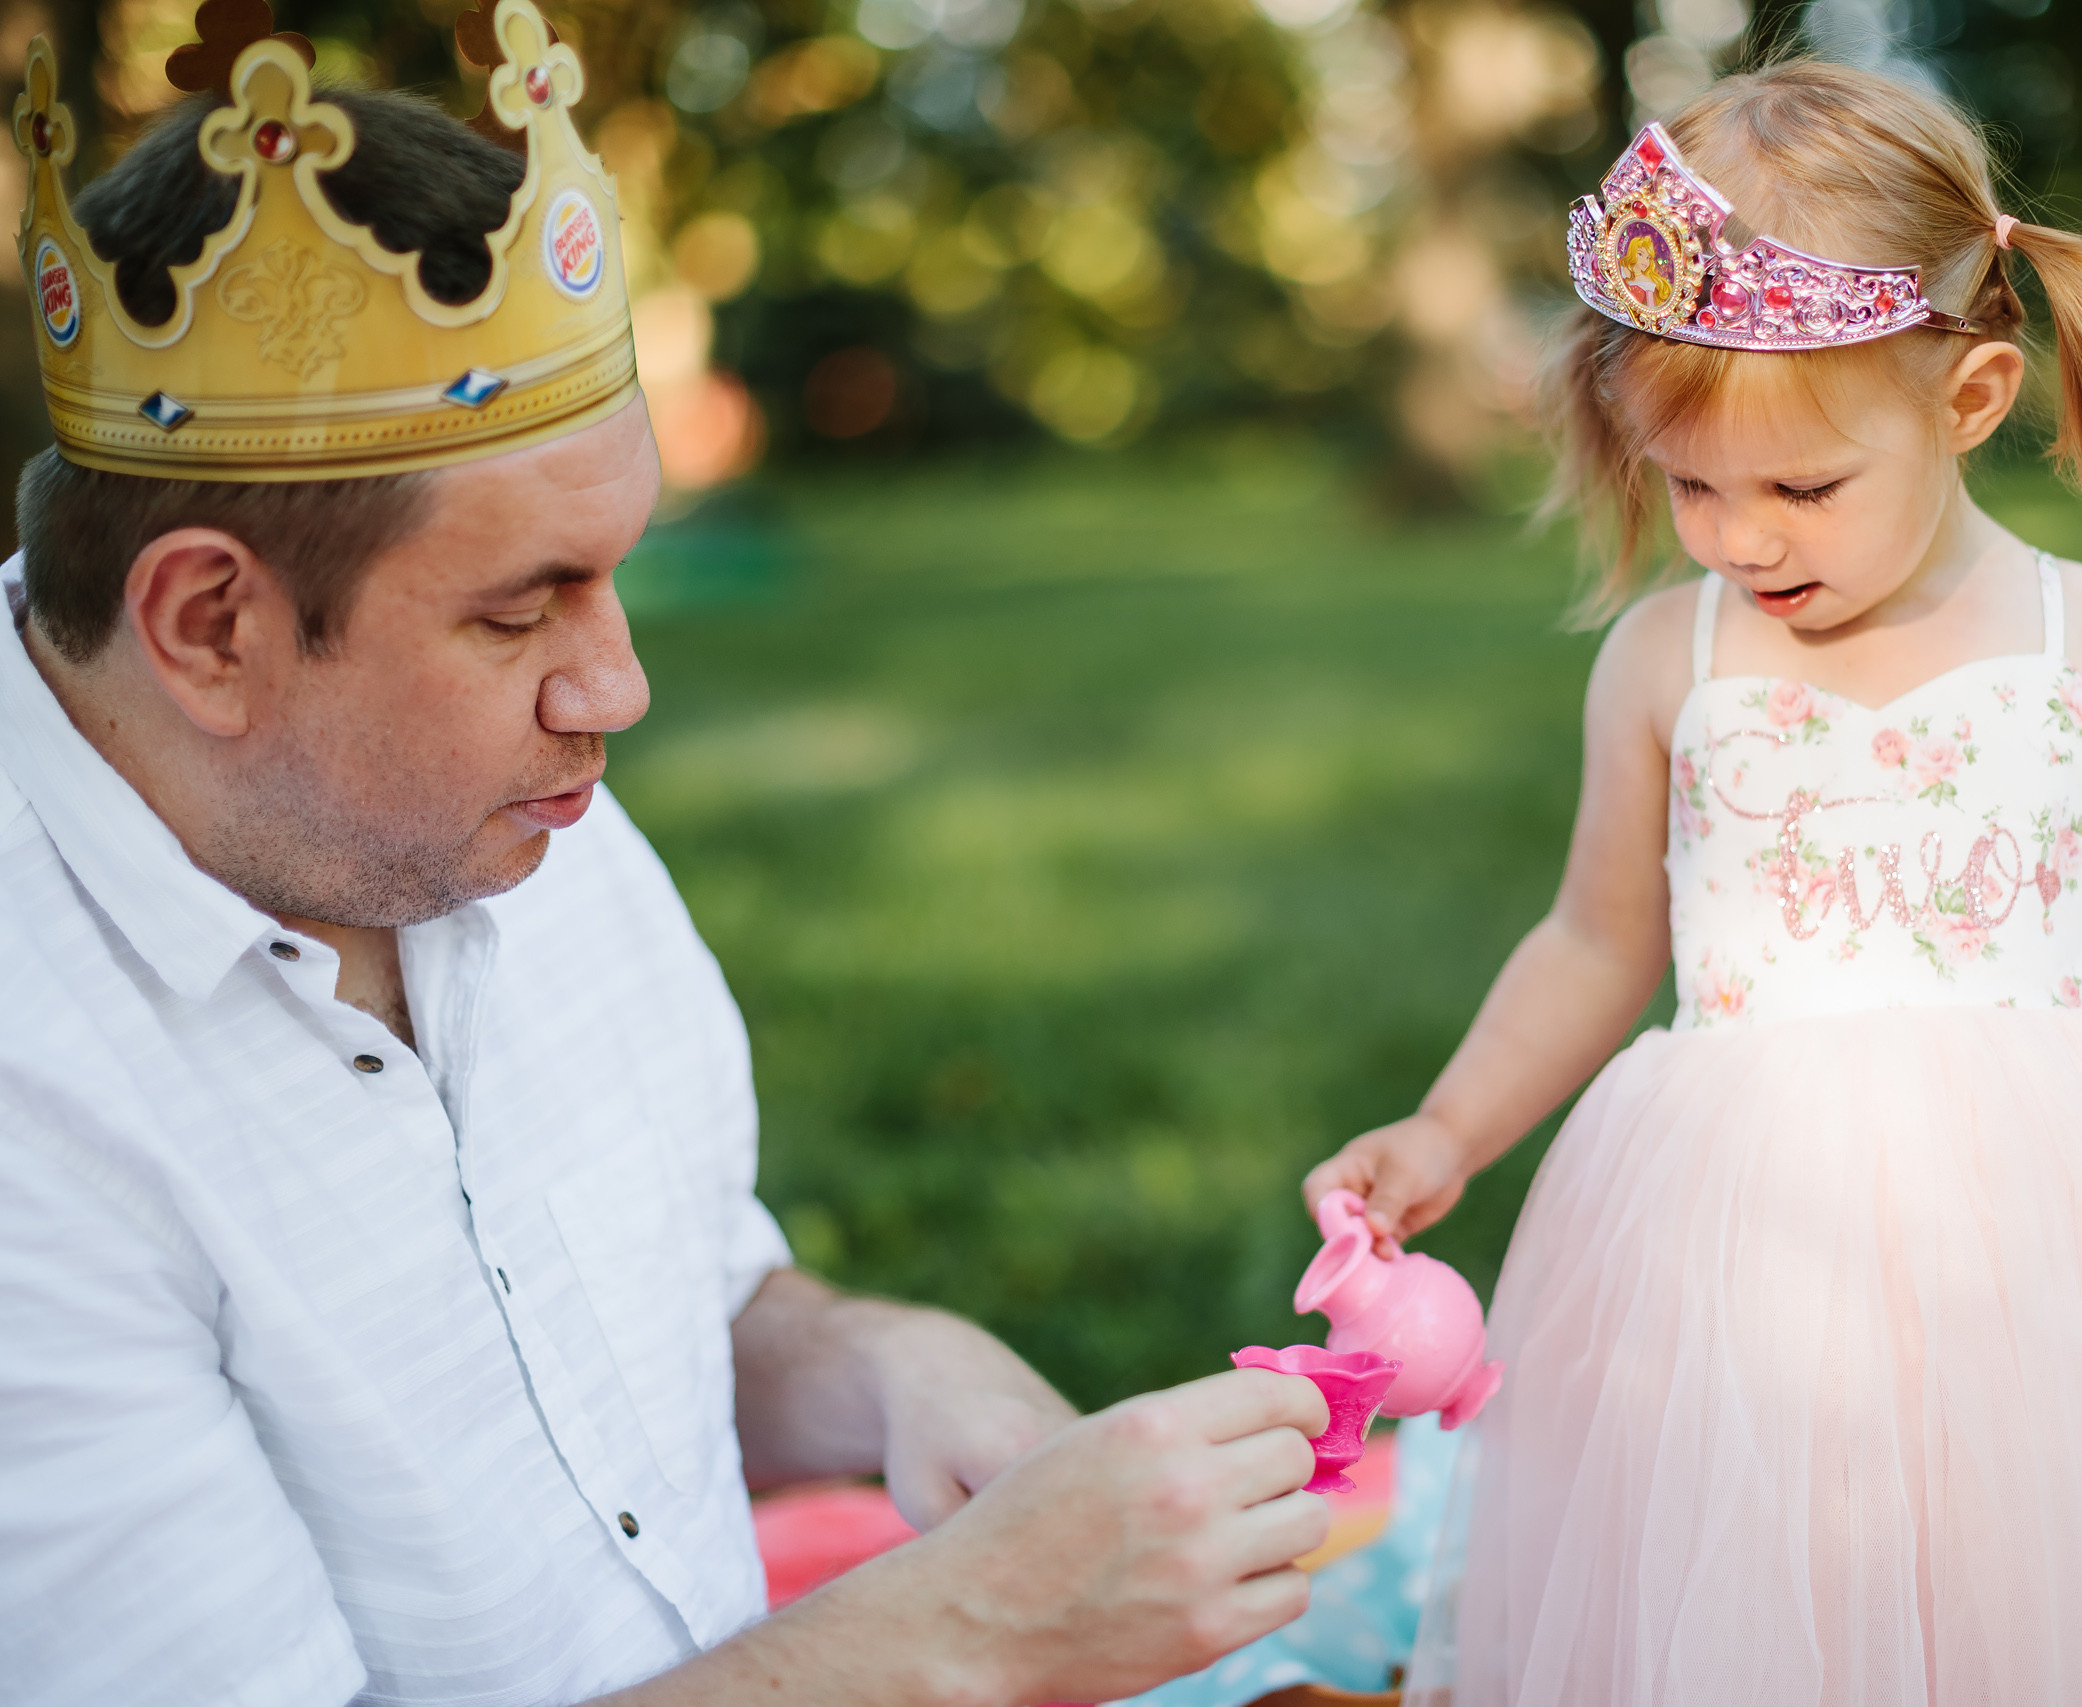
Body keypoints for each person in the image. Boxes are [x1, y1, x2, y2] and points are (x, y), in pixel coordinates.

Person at [1, 11, 1326, 1707]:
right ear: (207, 622)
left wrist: (886, 1370)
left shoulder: (481, 814)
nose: (616, 688)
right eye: (519, 606)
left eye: (615, 573)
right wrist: (971, 1631)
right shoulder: (35, 1106)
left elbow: (681, 1316)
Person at [1304, 61, 2082, 1706]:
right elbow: (1596, 938)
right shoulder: (1662, 660)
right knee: (1769, 1566)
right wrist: (1451, 1129)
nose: (1738, 541)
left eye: (1801, 487)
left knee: (2042, 1562)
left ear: (1965, 401)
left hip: (2052, 1230)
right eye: (1690, 484)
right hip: (1741, 1239)